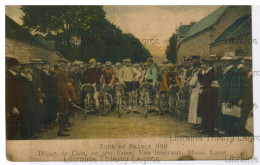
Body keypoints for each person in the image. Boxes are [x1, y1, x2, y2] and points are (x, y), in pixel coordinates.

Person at [218, 52, 242, 136]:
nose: (223, 62)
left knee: (229, 118)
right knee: (225, 116)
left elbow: (235, 87)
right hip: (224, 98)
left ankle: (228, 135)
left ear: (230, 61)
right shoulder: (226, 70)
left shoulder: (234, 71)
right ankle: (224, 133)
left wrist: (231, 100)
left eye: (226, 61)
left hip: (229, 99)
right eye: (223, 61)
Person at [55, 58, 78, 136]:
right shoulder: (59, 73)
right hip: (63, 96)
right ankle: (60, 131)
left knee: (66, 112)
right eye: (65, 64)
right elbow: (61, 87)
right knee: (62, 112)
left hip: (65, 95)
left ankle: (64, 128)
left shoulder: (63, 71)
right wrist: (67, 97)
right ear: (61, 64)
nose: (66, 65)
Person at [197, 58, 219, 135]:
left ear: (207, 64)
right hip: (205, 95)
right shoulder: (205, 72)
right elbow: (201, 81)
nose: (202, 66)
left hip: (210, 96)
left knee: (209, 113)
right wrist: (200, 73)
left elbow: (214, 86)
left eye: (203, 64)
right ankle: (205, 128)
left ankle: (209, 130)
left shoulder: (213, 73)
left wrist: (205, 91)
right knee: (204, 112)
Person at [6, 55, 22, 139]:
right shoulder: (7, 77)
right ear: (13, 66)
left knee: (15, 127)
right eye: (18, 65)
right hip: (12, 108)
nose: (19, 67)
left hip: (17, 106)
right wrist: (12, 107)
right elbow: (8, 94)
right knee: (12, 129)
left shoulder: (14, 76)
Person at [187, 62, 202, 127]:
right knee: (197, 106)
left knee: (194, 107)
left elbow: (192, 83)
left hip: (195, 91)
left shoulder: (197, 74)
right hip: (199, 91)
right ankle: (198, 122)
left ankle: (195, 122)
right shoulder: (201, 73)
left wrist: (188, 82)